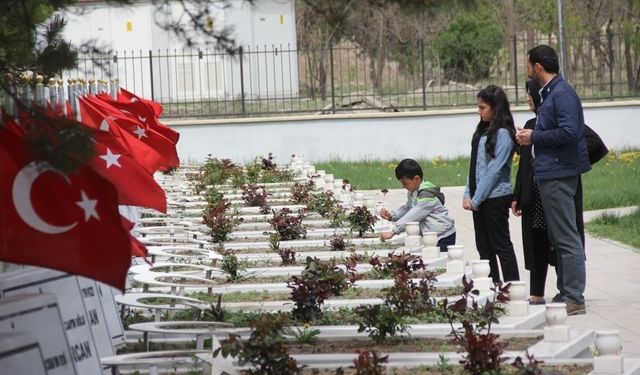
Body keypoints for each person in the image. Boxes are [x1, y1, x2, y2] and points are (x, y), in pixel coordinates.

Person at [515, 45, 591, 316]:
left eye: (528, 65)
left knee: (567, 237)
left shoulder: (562, 94)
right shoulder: (550, 94)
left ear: (538, 67)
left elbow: (570, 132)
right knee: (559, 237)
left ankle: (573, 297)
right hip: (551, 173)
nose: (527, 71)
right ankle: (565, 291)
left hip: (559, 173)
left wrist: (532, 137)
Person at [463, 85, 519, 283]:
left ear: (496, 108)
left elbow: (493, 170)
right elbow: (474, 166)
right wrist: (467, 194)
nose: (479, 112)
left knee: (500, 245)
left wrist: (476, 199)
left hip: (495, 198)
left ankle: (512, 288)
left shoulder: (503, 134)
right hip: (480, 198)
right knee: (484, 247)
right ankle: (492, 286)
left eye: (482, 107)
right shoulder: (482, 131)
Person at [511, 80, 554, 305]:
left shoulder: (554, 124)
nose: (528, 99)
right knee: (536, 243)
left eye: (530, 95)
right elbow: (524, 165)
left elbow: (592, 143)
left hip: (553, 194)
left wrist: (570, 170)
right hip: (533, 196)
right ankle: (537, 292)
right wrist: (517, 195)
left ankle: (569, 291)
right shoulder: (530, 123)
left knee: (556, 243)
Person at [379, 158, 456, 252]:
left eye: (405, 183)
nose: (403, 186)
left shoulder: (427, 196)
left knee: (441, 263)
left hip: (443, 235)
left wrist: (394, 231)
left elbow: (414, 215)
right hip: (431, 235)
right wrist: (392, 215)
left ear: (416, 178)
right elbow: (408, 208)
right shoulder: (413, 191)